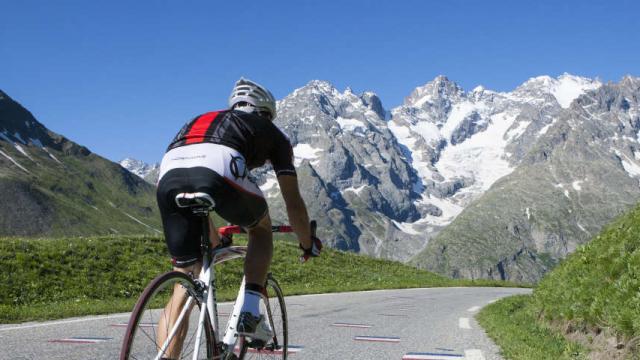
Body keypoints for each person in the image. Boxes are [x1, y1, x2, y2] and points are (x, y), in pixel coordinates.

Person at [155, 78, 322, 358]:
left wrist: (213, 237)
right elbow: (293, 203)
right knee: (260, 229)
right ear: (265, 114)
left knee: (185, 278)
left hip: (169, 171)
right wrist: (307, 243)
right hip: (220, 164)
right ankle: (250, 311)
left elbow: (195, 182)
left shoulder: (203, 118)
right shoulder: (272, 134)